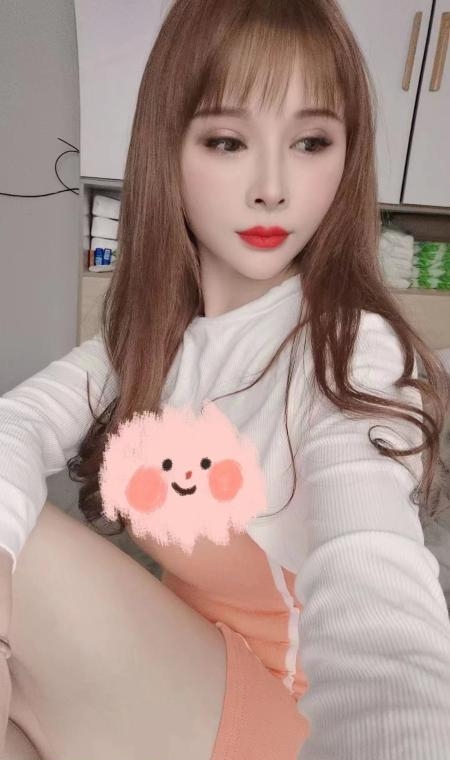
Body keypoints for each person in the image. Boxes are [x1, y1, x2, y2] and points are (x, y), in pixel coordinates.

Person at [1, 0, 450, 758]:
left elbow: (375, 573)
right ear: (168, 148)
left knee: (31, 552)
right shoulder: (145, 346)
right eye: (227, 141)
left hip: (292, 721)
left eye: (310, 142)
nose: (272, 187)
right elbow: (15, 425)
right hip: (189, 681)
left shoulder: (350, 352)